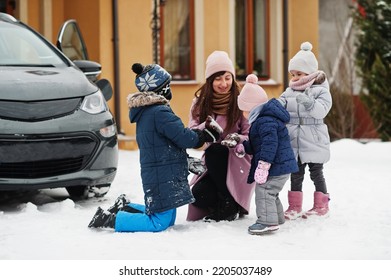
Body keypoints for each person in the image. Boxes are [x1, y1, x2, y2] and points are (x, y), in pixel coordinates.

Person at [88, 62, 222, 232]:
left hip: (161, 170)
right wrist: (203, 136)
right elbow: (183, 137)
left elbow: (169, 140)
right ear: (161, 89)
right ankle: (110, 220)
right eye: (168, 86)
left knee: (168, 218)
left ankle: (124, 206)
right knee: (159, 223)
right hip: (161, 173)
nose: (170, 89)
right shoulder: (159, 112)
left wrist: (185, 157)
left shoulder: (149, 111)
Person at [186, 50, 255, 222]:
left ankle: (229, 206)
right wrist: (206, 127)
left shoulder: (241, 101)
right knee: (199, 195)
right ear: (210, 81)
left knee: (216, 150)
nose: (223, 83)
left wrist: (236, 139)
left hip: (238, 159)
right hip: (213, 164)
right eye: (218, 78)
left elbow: (251, 135)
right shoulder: (200, 103)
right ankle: (228, 201)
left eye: (227, 77)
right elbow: (192, 134)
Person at [235, 74, 298, 234]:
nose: (243, 115)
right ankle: (277, 217)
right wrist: (245, 147)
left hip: (275, 166)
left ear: (252, 108)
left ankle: (267, 221)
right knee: (272, 192)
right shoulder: (263, 120)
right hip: (280, 165)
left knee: (264, 191)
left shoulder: (265, 122)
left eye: (244, 111)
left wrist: (263, 165)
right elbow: (259, 144)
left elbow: (270, 144)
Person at [278, 41, 332, 220]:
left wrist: (309, 103)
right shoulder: (289, 91)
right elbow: (281, 106)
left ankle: (321, 205)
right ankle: (294, 206)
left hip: (314, 139)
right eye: (292, 74)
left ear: (310, 73)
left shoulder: (320, 91)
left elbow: (321, 111)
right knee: (296, 173)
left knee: (316, 173)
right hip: (295, 140)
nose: (294, 77)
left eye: (299, 74)